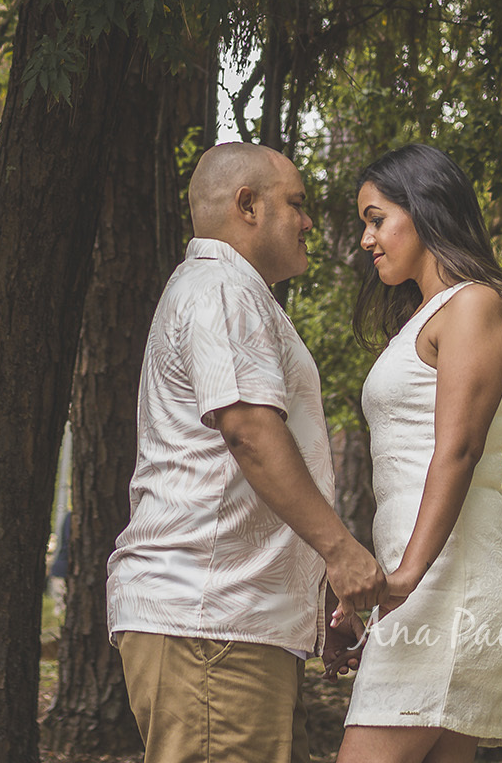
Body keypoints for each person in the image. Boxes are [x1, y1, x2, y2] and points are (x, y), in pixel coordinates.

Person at [107, 141, 384, 763]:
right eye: (297, 204)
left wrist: (314, 597)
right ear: (248, 206)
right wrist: (340, 552)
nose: (309, 222)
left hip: (231, 623)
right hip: (210, 623)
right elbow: (249, 433)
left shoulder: (228, 290)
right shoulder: (222, 287)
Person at [335, 144, 502, 763]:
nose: (367, 240)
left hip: (451, 584)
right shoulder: (427, 316)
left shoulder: (473, 304)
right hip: (429, 581)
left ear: (424, 209)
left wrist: (405, 578)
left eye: (377, 219)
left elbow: (458, 449)